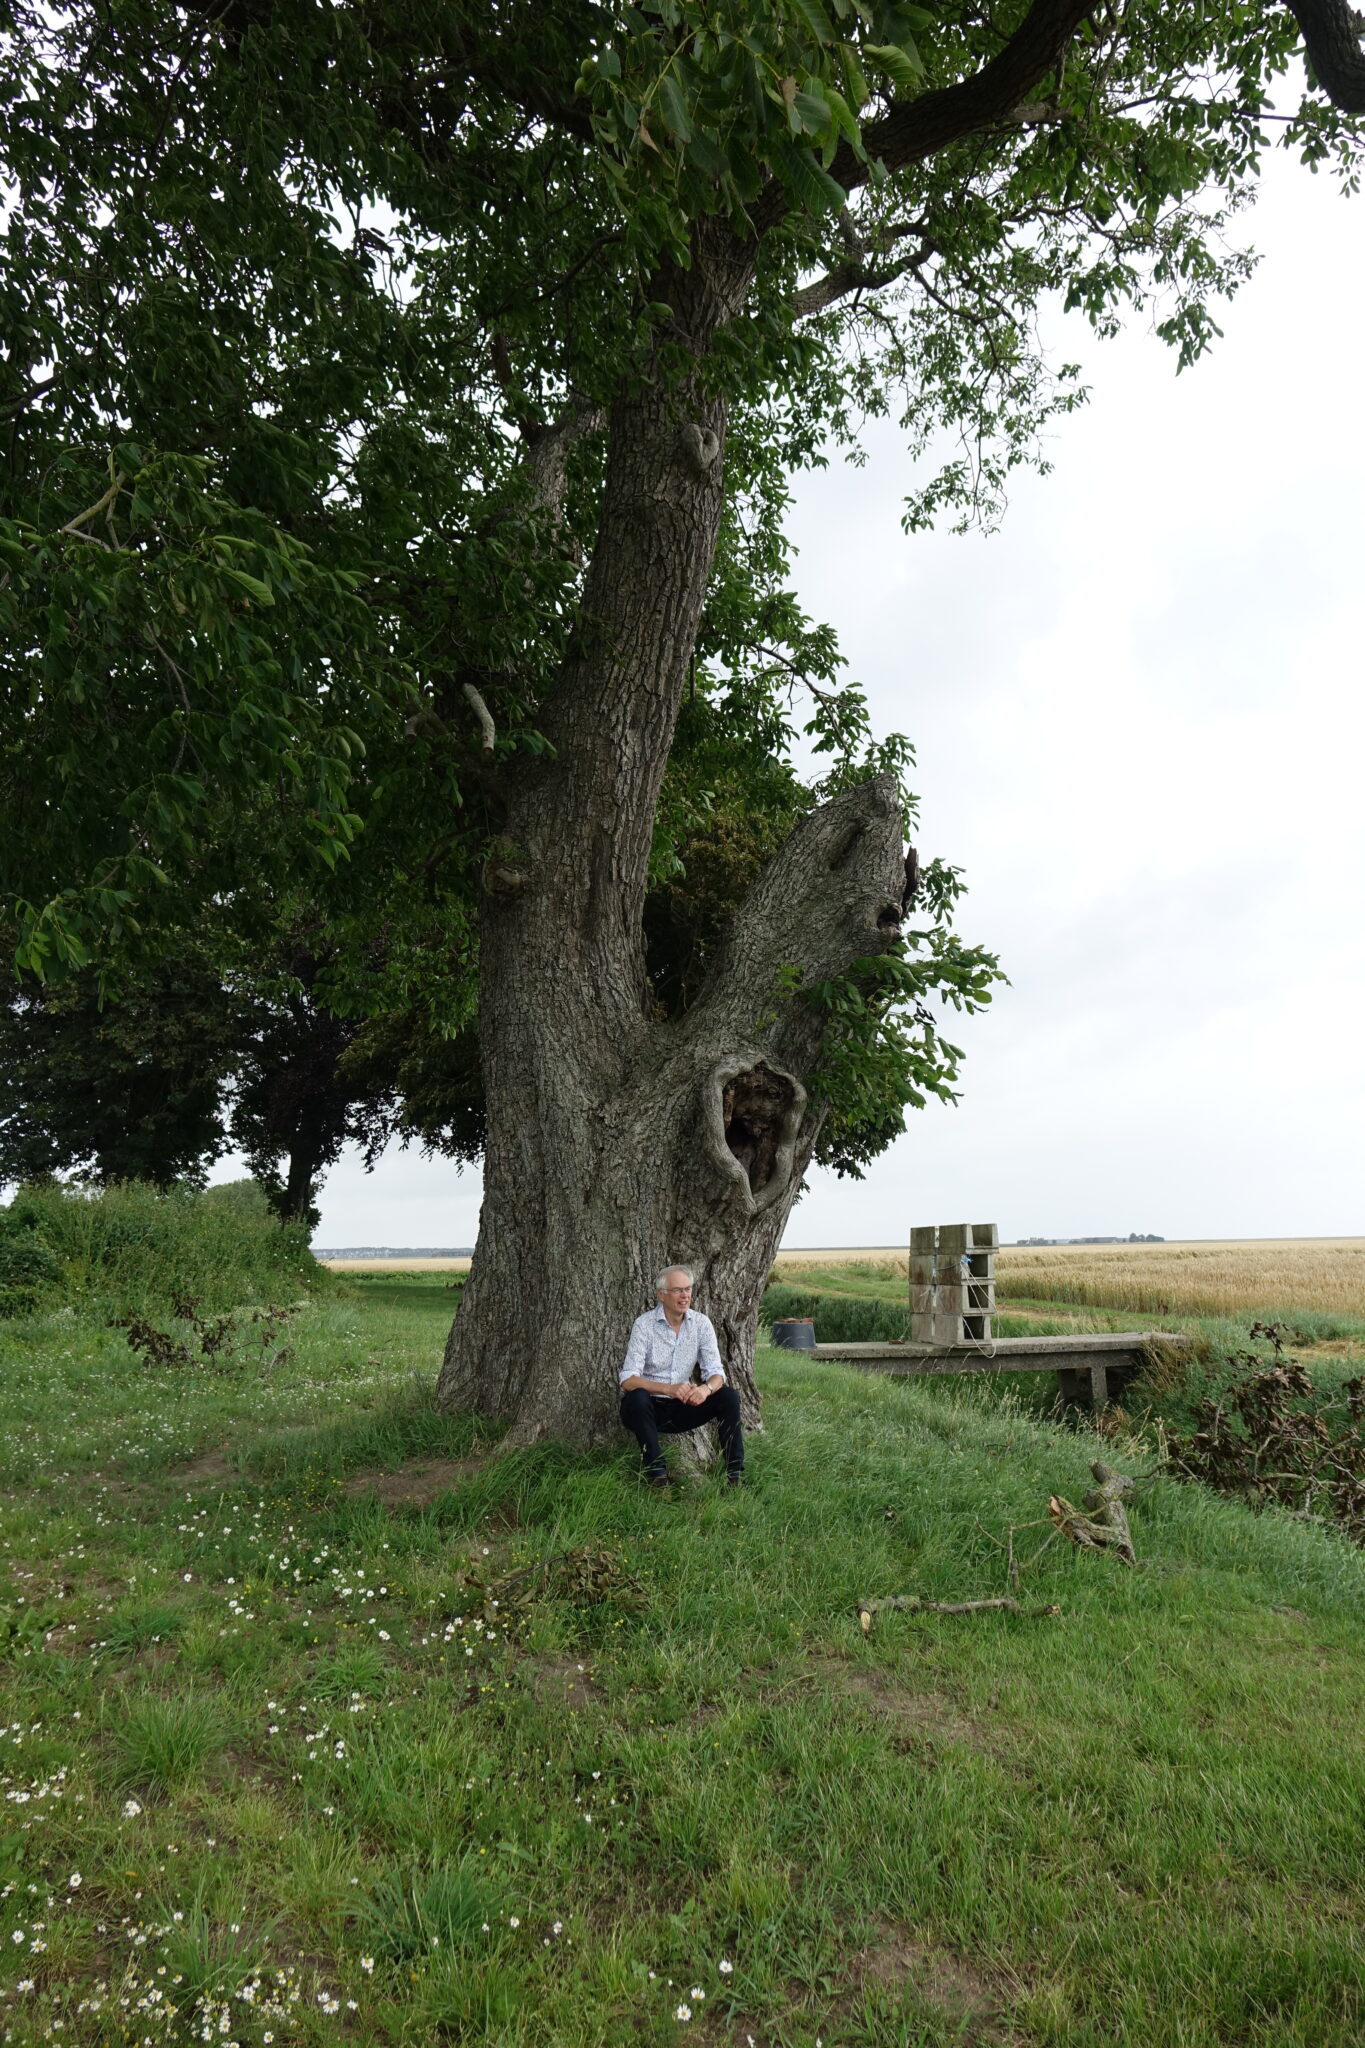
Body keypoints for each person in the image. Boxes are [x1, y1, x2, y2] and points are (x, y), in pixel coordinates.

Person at [619, 1265, 745, 1489]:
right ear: (661, 1295)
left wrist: (705, 1390)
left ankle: (735, 1475)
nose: (685, 1295)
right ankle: (658, 1476)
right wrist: (667, 1389)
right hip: (649, 1409)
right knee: (636, 1397)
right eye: (678, 1290)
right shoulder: (644, 1325)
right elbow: (628, 1379)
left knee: (729, 1396)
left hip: (685, 1405)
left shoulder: (701, 1324)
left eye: (688, 1289)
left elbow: (717, 1373)